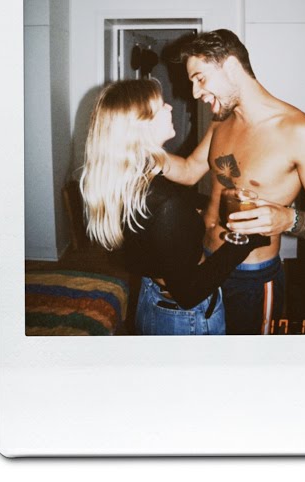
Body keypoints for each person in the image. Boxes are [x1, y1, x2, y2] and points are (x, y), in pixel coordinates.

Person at [162, 29, 305, 335]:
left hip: (250, 278)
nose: (194, 93)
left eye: (200, 78)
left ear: (232, 67)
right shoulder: (220, 122)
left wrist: (288, 219)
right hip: (204, 262)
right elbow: (190, 170)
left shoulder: (300, 131)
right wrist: (145, 154)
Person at [79, 78, 270, 335]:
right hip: (185, 319)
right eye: (161, 106)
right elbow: (189, 293)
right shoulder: (166, 204)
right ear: (141, 126)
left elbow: (158, 226)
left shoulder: (127, 180)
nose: (170, 107)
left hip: (151, 298)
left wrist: (202, 207)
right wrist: (247, 241)